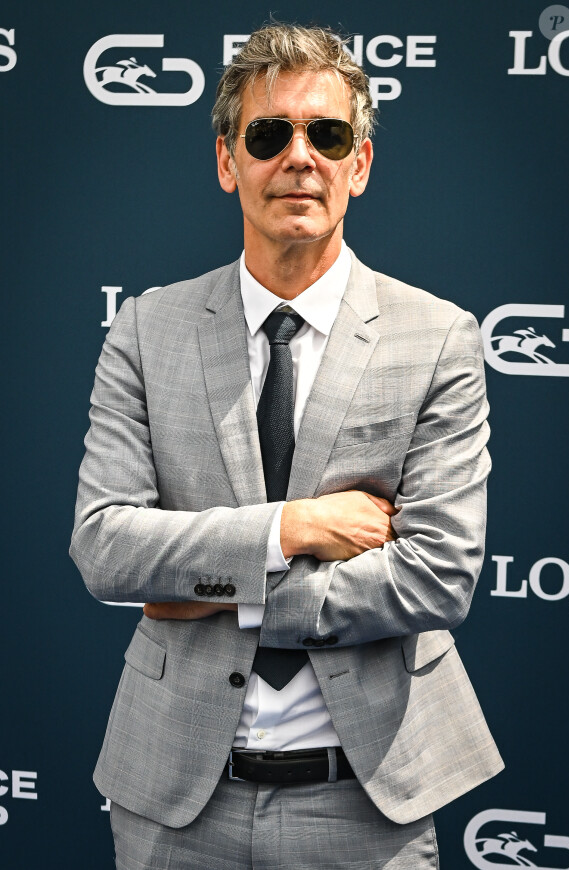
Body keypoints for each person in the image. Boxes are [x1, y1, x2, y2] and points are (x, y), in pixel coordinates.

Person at [70, 23, 503, 870]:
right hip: (173, 806)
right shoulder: (146, 330)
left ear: (360, 165)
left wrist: (212, 590)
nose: (299, 157)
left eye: (327, 134)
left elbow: (439, 574)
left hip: (368, 806)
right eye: (269, 135)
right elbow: (106, 547)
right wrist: (292, 530)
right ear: (229, 163)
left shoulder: (438, 337)